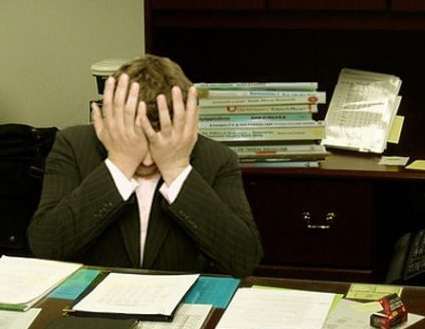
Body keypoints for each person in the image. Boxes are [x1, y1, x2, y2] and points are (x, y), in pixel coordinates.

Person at [28, 55, 262, 278]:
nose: (148, 161)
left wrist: (177, 170)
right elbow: (46, 247)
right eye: (135, 140)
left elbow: (243, 261)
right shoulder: (73, 146)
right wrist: (119, 165)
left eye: (158, 141)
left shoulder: (217, 158)